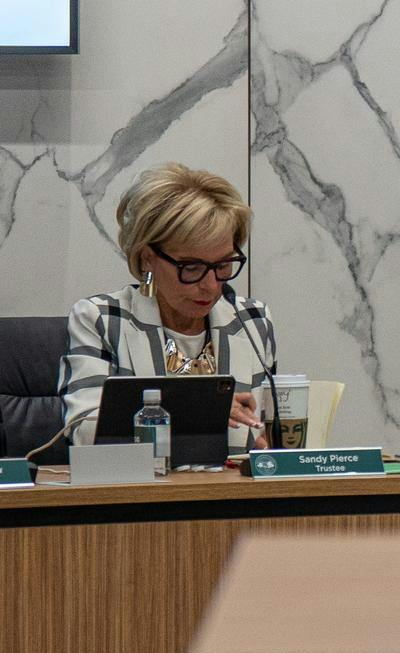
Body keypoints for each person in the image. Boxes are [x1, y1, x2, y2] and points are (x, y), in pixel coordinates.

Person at [57, 163, 273, 449]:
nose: (211, 285)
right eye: (192, 267)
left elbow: (265, 432)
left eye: (222, 265)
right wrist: (201, 407)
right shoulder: (103, 319)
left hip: (231, 490)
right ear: (147, 257)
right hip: (141, 493)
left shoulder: (252, 320)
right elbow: (86, 434)